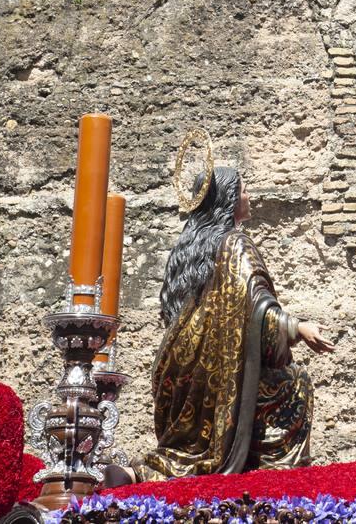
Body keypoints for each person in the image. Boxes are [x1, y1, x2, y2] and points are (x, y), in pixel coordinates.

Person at [106, 166, 333, 484]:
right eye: (242, 190)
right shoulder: (235, 245)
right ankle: (272, 473)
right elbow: (259, 313)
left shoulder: (191, 249)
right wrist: (298, 328)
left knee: (189, 448)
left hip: (182, 371)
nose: (248, 196)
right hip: (222, 375)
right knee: (294, 382)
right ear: (227, 199)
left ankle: (138, 473)